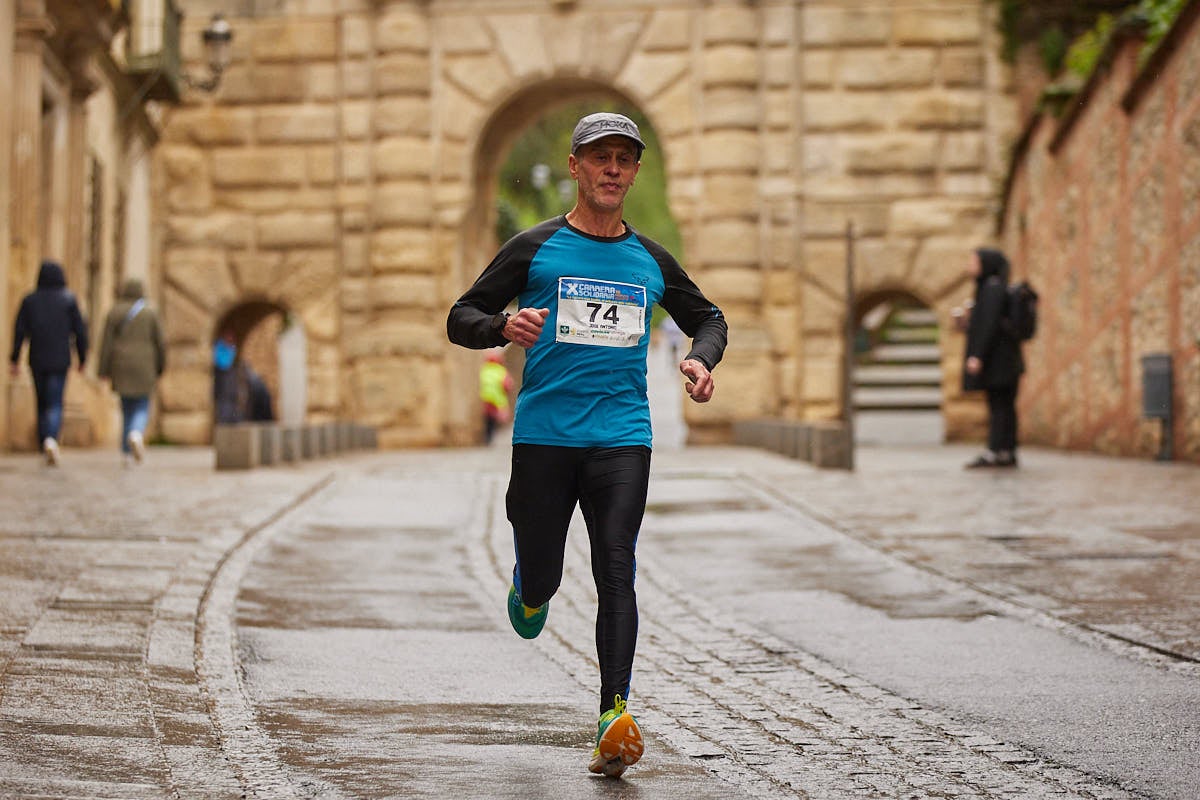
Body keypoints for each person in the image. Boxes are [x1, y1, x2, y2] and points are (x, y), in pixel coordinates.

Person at [447, 111, 728, 778]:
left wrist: (701, 359)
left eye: (624, 160)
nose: (611, 169)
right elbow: (460, 316)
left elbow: (708, 317)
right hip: (544, 436)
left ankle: (613, 714)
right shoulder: (535, 248)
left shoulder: (650, 260)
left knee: (617, 563)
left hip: (622, 437)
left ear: (634, 172)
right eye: (599, 157)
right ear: (575, 167)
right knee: (542, 575)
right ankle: (532, 587)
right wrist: (502, 325)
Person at [9, 260, 89, 466]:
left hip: (37, 358)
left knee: (42, 400)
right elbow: (79, 331)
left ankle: (44, 440)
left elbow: (20, 332)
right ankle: (51, 439)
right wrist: (82, 358)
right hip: (60, 359)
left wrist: (14, 358)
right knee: (54, 402)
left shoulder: (30, 301)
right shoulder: (68, 300)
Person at [962, 247, 1024, 468]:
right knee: (1005, 405)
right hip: (1007, 361)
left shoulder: (991, 289)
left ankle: (996, 450)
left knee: (999, 405)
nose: (969, 266)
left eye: (973, 261)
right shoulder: (997, 287)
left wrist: (977, 355)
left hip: (999, 362)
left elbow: (988, 325)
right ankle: (1006, 450)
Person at [98, 278, 166, 466]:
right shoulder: (150, 313)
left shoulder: (114, 313)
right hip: (145, 365)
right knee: (142, 405)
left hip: (120, 365)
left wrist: (102, 369)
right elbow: (160, 343)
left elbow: (106, 344)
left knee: (126, 406)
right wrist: (160, 367)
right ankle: (136, 433)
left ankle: (126, 451)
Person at [478, 349, 514, 444]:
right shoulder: (501, 371)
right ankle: (492, 437)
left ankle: (487, 437)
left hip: (485, 398)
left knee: (488, 420)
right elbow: (508, 385)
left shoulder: (484, 369)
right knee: (495, 420)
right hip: (497, 400)